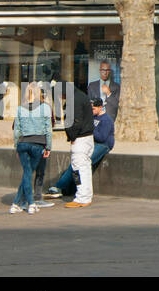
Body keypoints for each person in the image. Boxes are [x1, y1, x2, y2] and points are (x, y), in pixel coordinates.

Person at [47, 98, 114, 201]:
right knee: (76, 163)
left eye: (94, 109)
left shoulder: (106, 120)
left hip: (103, 145)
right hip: (91, 142)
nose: (92, 111)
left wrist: (89, 129)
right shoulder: (93, 117)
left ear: (101, 107)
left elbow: (102, 137)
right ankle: (65, 187)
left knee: (82, 162)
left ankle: (59, 187)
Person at [11, 83, 52, 215]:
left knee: (27, 173)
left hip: (23, 143)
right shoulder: (45, 107)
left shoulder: (19, 108)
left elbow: (17, 130)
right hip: (37, 143)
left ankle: (16, 203)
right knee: (29, 173)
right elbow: (48, 129)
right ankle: (31, 204)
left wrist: (16, 146)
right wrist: (48, 146)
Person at [60, 85, 95, 209]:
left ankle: (82, 197)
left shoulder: (74, 100)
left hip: (80, 139)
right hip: (87, 138)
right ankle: (86, 196)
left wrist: (72, 136)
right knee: (85, 169)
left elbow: (76, 121)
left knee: (78, 170)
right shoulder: (80, 96)